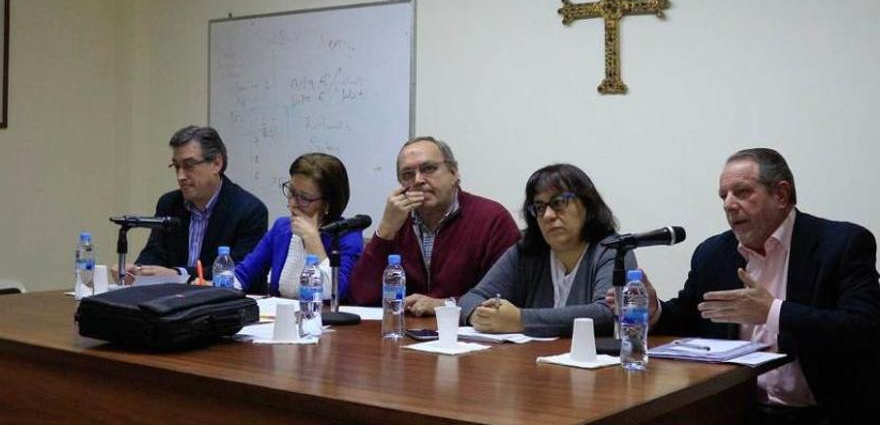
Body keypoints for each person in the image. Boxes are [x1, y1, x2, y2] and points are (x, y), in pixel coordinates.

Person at [610, 148, 880, 423]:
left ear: (781, 195)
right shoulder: (713, 253)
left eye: (742, 192)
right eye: (723, 196)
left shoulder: (841, 244)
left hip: (823, 413)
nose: (728, 204)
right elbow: (692, 315)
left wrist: (772, 312)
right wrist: (655, 310)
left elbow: (864, 328)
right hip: (735, 410)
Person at [348, 136, 520, 316]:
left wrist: (446, 305)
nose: (418, 180)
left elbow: (508, 296)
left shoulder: (491, 218)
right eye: (407, 174)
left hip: (469, 336)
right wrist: (385, 231)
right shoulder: (397, 221)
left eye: (428, 169)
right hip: (407, 333)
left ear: (453, 172)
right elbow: (361, 297)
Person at [459, 164, 636, 337]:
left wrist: (521, 320)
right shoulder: (525, 253)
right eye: (540, 207)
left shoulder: (614, 250)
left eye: (558, 203)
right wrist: (481, 315)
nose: (548, 215)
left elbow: (608, 313)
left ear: (588, 207)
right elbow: (471, 298)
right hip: (531, 360)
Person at [130, 126, 268, 282]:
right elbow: (155, 253)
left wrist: (179, 274)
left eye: (189, 166)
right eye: (176, 167)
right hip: (171, 301)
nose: (181, 176)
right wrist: (137, 271)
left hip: (219, 302)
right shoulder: (169, 203)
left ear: (216, 163)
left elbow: (238, 270)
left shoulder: (250, 210)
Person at [233, 153, 363, 299]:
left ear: (327, 205)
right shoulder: (282, 228)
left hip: (324, 320)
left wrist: (313, 241)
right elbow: (243, 275)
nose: (293, 203)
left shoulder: (347, 237)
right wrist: (215, 288)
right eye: (291, 192)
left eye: (304, 198)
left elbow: (333, 294)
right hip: (280, 318)